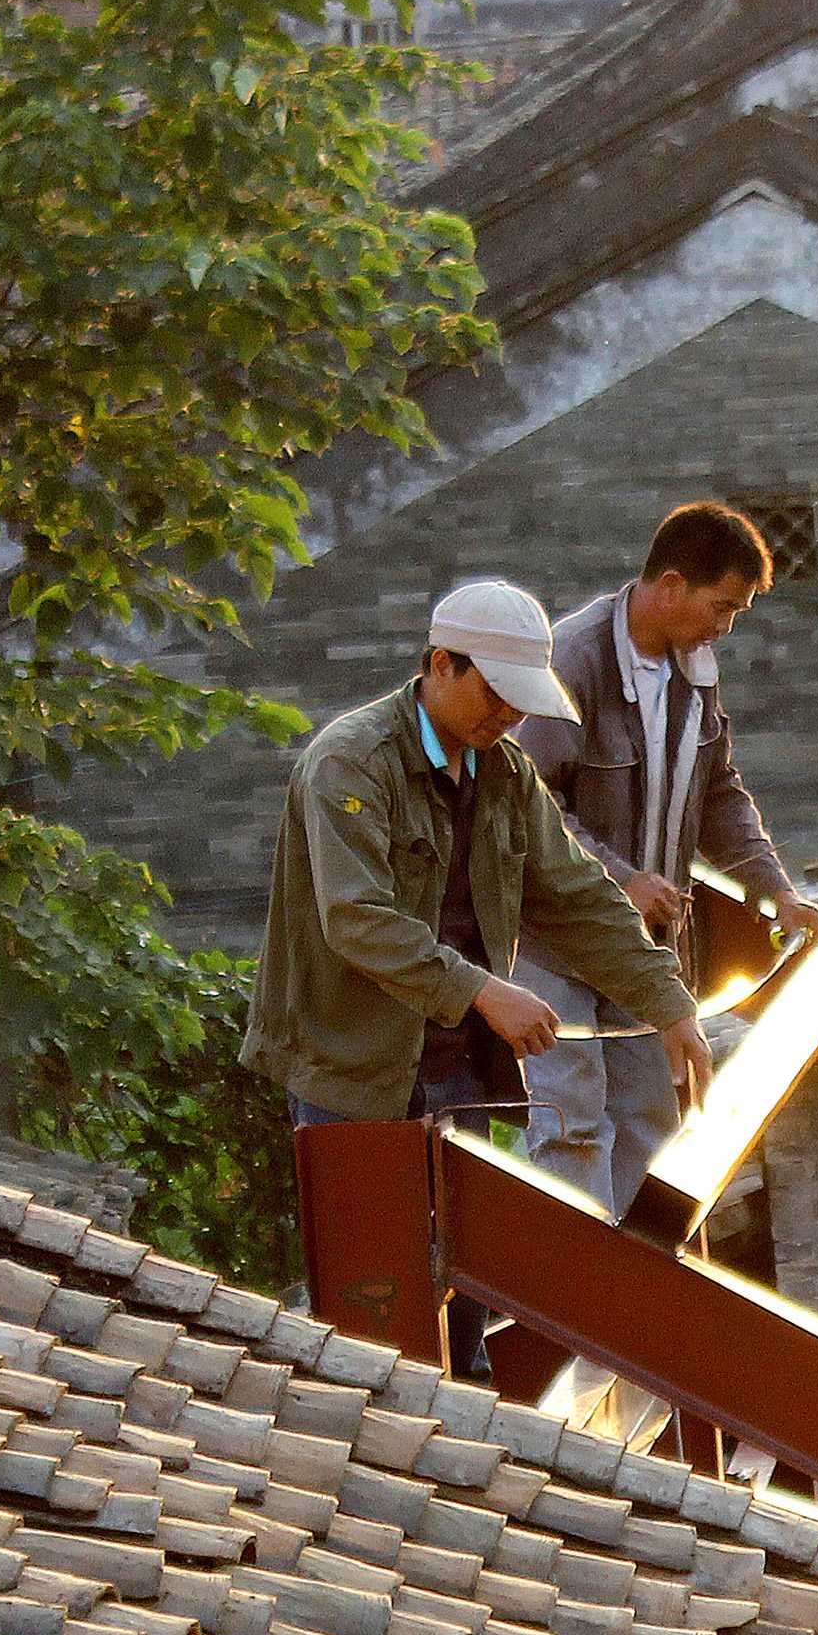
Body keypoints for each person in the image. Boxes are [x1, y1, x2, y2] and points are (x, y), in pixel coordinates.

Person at [246, 578, 714, 1362]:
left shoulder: (503, 772)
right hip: (353, 1069)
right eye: (497, 695)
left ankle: (473, 1443)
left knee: (461, 1300)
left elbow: (574, 896)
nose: (510, 718)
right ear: (441, 666)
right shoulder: (350, 764)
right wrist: (482, 990)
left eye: (522, 703)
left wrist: (668, 1003)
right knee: (380, 1311)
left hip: (461, 1065)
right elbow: (356, 921)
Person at [513, 500, 818, 1221]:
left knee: (653, 1122)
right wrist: (622, 880)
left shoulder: (697, 669)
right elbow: (524, 807)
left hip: (644, 949)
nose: (725, 626)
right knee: (571, 1128)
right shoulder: (572, 660)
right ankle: (577, 1312)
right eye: (721, 606)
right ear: (670, 586)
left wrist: (776, 889)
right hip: (550, 942)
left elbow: (719, 791)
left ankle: (639, 1300)